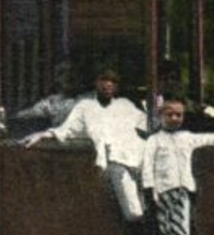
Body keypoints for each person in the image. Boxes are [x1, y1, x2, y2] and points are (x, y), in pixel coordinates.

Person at [21, 67, 148, 222]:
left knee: (150, 203)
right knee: (134, 213)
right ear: (96, 82)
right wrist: (44, 134)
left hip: (139, 159)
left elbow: (146, 123)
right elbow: (68, 129)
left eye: (113, 81)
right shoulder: (86, 106)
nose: (108, 84)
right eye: (104, 80)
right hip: (115, 163)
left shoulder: (125, 104)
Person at [140, 97, 214, 235]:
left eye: (178, 115)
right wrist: (150, 188)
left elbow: (207, 139)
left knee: (182, 231)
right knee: (164, 230)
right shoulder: (154, 140)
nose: (174, 118)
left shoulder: (187, 136)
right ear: (160, 116)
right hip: (163, 191)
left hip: (182, 190)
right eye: (169, 114)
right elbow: (147, 166)